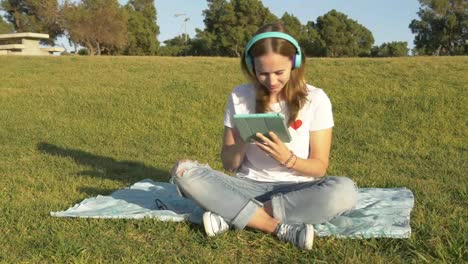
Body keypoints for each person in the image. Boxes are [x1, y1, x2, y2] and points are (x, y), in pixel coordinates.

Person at [171, 22, 358, 250]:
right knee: (183, 172)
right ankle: (277, 227)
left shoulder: (316, 99)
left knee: (345, 191)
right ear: (252, 66)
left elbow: (319, 167)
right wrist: (243, 139)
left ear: (294, 63)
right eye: (263, 73)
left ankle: (231, 214)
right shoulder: (239, 96)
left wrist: (287, 158)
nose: (271, 81)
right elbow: (230, 164)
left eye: (279, 73)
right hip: (245, 185)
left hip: (297, 190)